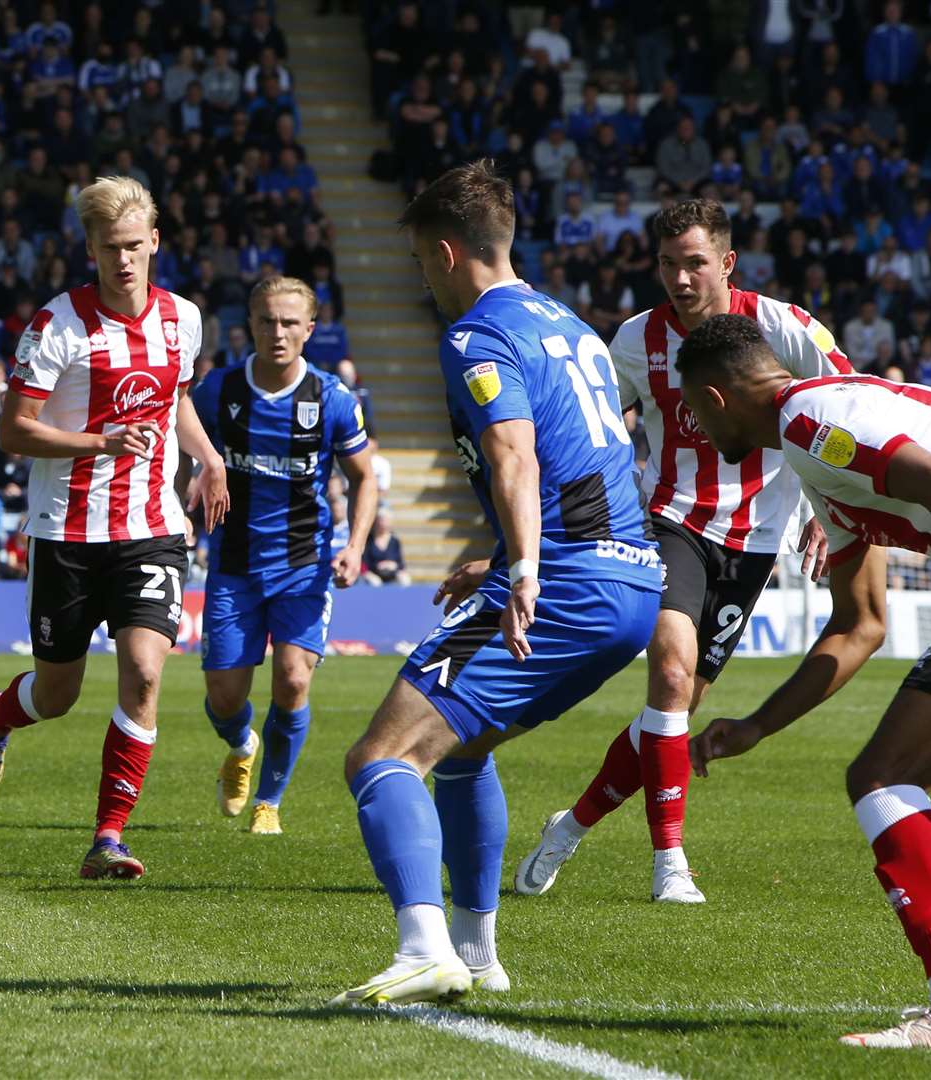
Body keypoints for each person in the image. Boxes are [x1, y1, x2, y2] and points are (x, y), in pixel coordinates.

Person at [334, 161, 662, 1006]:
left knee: (381, 756)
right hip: (626, 584)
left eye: (416, 262)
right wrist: (520, 549)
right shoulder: (572, 326)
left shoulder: (478, 335)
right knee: (462, 746)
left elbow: (514, 450)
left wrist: (522, 567)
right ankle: (478, 955)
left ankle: (422, 947)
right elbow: (596, 458)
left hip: (566, 582)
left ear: (445, 253)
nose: (419, 280)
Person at [516, 199, 851, 904]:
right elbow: (599, 424)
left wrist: (831, 506)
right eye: (668, 263)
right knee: (668, 678)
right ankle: (670, 861)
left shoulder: (783, 327)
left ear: (726, 263)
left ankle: (570, 825)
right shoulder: (638, 338)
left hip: (755, 538)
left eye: (694, 262)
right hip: (669, 521)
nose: (680, 277)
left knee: (669, 717)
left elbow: (841, 401)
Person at [674, 314, 931, 1052]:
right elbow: (861, 622)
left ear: (717, 397)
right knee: (883, 779)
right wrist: (757, 724)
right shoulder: (814, 445)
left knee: (884, 779)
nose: (692, 427)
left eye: (692, 409)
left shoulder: (812, 424)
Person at [0, 175, 229, 880]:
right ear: (89, 248)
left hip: (152, 526)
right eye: (110, 248)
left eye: (135, 246)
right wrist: (98, 442)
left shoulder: (184, 319)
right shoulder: (57, 327)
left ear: (155, 244)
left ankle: (108, 835)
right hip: (66, 531)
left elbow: (174, 400)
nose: (123, 260)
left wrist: (206, 459)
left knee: (144, 673)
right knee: (56, 696)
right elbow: (13, 433)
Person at [192, 276, 377, 835]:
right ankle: (242, 743)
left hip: (303, 565)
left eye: (290, 322)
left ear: (310, 330)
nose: (278, 332)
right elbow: (181, 447)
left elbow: (364, 476)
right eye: (268, 321)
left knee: (293, 680)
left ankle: (268, 802)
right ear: (250, 325)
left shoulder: (331, 400)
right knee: (225, 697)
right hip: (233, 565)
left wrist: (355, 545)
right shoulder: (217, 391)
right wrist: (185, 494)